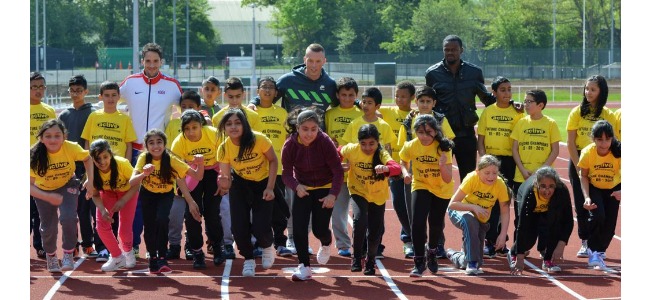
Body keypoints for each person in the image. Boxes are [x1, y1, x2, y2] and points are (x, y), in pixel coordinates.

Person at [120, 42, 183, 258]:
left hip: (160, 153)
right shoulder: (130, 83)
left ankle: (157, 246)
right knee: (136, 202)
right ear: (142, 61)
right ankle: (135, 244)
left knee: (160, 201)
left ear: (161, 62)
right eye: (148, 61)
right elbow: (109, 100)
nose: (152, 65)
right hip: (136, 151)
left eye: (156, 61)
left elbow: (188, 108)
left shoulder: (172, 85)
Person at [425, 35, 499, 184]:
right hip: (442, 135)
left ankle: (466, 207)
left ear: (461, 50)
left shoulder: (474, 73)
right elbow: (428, 101)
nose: (450, 52)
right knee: (438, 177)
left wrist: (509, 102)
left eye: (454, 49)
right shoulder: (432, 74)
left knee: (469, 178)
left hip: (466, 134)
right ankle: (441, 208)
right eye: (447, 50)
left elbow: (487, 99)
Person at [282, 107, 344, 281]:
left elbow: (338, 171)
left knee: (319, 229)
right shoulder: (290, 145)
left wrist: (333, 194)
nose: (309, 134)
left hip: (325, 188)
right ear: (297, 127)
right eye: (305, 129)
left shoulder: (325, 142)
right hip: (304, 189)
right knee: (299, 229)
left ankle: (325, 242)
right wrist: (296, 186)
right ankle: (304, 267)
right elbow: (286, 173)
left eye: (313, 129)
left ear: (319, 128)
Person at [216, 108, 279, 277]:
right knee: (238, 228)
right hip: (240, 186)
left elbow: (273, 160)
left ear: (244, 124)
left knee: (260, 226)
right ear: (224, 128)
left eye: (237, 123)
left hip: (263, 184)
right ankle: (249, 259)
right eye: (229, 124)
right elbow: (226, 178)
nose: (233, 127)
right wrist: (224, 183)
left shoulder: (259, 139)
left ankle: (267, 246)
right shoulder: (223, 148)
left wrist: (270, 187)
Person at [133, 129, 203, 274]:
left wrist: (200, 163)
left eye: (159, 142)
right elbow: (131, 181)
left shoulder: (171, 159)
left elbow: (197, 176)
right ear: (146, 146)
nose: (155, 146)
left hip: (165, 195)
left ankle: (163, 257)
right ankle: (153, 257)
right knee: (150, 226)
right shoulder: (144, 158)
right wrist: (144, 174)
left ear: (165, 144)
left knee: (162, 220)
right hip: (148, 194)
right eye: (151, 143)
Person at [81, 80, 137, 261]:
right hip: (97, 170)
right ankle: (104, 249)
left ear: (119, 97)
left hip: (117, 171)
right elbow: (87, 143)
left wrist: (125, 166)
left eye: (114, 95)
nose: (111, 98)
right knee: (100, 211)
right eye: (107, 95)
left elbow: (128, 144)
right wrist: (89, 169)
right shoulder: (94, 117)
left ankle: (120, 249)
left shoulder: (124, 119)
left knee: (119, 212)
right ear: (100, 97)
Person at [396, 85, 455, 258]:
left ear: (434, 103)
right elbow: (403, 149)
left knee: (436, 219)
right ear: (416, 102)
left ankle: (437, 245)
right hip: (416, 172)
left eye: (428, 101)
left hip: (437, 169)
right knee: (414, 213)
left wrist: (443, 161)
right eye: (421, 101)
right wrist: (405, 171)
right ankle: (414, 247)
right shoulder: (408, 121)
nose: (425, 104)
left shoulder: (441, 120)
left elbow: (448, 142)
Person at [30, 119, 95, 273]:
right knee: (48, 227)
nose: (53, 140)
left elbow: (87, 158)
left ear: (64, 136)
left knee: (68, 218)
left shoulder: (71, 147)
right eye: (48, 136)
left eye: (57, 136)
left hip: (67, 185)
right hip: (43, 190)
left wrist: (90, 181)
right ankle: (51, 255)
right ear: (41, 138)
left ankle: (68, 253)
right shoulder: (33, 156)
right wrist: (48, 197)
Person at [164, 90, 221, 261]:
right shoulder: (178, 143)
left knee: (212, 212)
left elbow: (226, 157)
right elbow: (179, 175)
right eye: (187, 129)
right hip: (191, 173)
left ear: (201, 125)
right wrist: (189, 200)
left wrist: (224, 179)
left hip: (213, 170)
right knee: (193, 214)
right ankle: (197, 252)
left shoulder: (212, 133)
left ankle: (218, 247)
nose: (191, 132)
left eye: (195, 127)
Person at [339, 124, 401, 275]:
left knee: (375, 230)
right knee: (359, 221)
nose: (367, 148)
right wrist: (338, 165)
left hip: (377, 195)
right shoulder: (351, 149)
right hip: (357, 190)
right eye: (363, 144)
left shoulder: (382, 153)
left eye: (371, 144)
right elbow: (336, 153)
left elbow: (397, 168)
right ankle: (357, 256)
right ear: (358, 142)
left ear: (378, 142)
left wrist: (386, 169)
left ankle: (370, 261)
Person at [566, 75, 616, 258]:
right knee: (582, 202)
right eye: (587, 88)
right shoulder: (577, 112)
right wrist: (578, 165)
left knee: (599, 202)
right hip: (579, 158)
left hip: (601, 161)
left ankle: (598, 242)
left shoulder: (608, 114)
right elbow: (570, 142)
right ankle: (585, 241)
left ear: (601, 92)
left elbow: (614, 141)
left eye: (593, 89)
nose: (588, 92)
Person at [477, 76, 524, 258]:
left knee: (505, 201)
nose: (507, 93)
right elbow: (480, 140)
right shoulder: (488, 112)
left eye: (509, 89)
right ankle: (490, 241)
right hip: (492, 160)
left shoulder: (518, 112)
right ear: (494, 92)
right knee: (491, 201)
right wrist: (484, 160)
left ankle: (501, 241)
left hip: (511, 160)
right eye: (503, 90)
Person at [446, 155, 511, 275]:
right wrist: (474, 207)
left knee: (477, 260)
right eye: (487, 173)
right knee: (470, 222)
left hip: (481, 220)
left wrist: (502, 235)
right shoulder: (472, 178)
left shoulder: (500, 185)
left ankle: (454, 255)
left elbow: (505, 211)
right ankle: (472, 263)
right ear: (478, 171)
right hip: (459, 211)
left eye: (494, 173)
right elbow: (452, 204)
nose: (491, 176)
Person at [58, 75, 100, 260]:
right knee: (71, 209)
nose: (75, 94)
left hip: (88, 165)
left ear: (86, 92)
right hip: (68, 167)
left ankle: (89, 244)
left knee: (88, 208)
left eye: (79, 91)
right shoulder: (64, 115)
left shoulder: (93, 113)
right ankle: (72, 244)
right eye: (72, 90)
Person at [252, 76, 293, 257]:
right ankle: (260, 243)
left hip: (278, 167)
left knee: (278, 207)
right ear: (257, 91)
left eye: (271, 88)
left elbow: (286, 140)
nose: (267, 90)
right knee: (260, 207)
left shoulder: (282, 113)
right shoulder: (251, 111)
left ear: (276, 93)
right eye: (264, 87)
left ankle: (280, 242)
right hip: (256, 168)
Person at [88, 139, 143, 271]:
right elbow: (95, 194)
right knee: (101, 226)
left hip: (128, 192)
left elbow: (136, 185)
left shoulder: (122, 164)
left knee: (124, 229)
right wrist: (102, 209)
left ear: (111, 155)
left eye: (105, 157)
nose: (102, 162)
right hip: (107, 193)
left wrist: (123, 200)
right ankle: (117, 257)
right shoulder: (91, 170)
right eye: (97, 159)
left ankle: (128, 252)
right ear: (92, 160)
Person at [508, 166, 574, 275]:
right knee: (529, 238)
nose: (547, 191)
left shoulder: (562, 191)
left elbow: (568, 221)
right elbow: (522, 226)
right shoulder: (530, 193)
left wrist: (561, 245)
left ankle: (547, 259)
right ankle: (514, 253)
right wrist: (520, 258)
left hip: (549, 207)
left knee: (555, 224)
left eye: (551, 186)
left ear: (556, 185)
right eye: (543, 186)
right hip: (531, 205)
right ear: (537, 185)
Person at [324, 77, 363, 258]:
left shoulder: (361, 114)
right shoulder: (329, 114)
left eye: (351, 95)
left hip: (358, 169)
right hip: (336, 169)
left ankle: (363, 242)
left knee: (360, 211)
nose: (347, 98)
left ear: (356, 96)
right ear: (337, 95)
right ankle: (343, 244)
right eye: (343, 95)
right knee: (338, 211)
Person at [511, 89, 561, 230]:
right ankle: (520, 248)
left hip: (543, 179)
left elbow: (555, 151)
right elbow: (515, 149)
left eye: (529, 101)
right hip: (521, 176)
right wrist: (522, 169)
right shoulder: (521, 123)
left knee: (544, 215)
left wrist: (541, 172)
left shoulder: (551, 124)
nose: (525, 104)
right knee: (520, 214)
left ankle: (543, 247)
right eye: (525, 101)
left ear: (540, 105)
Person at [578, 120, 621, 270]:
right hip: (595, 187)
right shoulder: (587, 153)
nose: (604, 144)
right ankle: (593, 251)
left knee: (610, 226)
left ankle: (598, 251)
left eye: (608, 139)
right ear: (593, 138)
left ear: (612, 138)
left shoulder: (619, 152)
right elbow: (583, 176)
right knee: (598, 216)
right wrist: (587, 197)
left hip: (613, 188)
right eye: (599, 140)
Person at [379, 80, 415, 258]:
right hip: (394, 167)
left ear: (412, 98)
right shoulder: (387, 112)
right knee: (399, 203)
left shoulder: (416, 114)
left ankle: (413, 239)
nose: (399, 99)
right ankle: (408, 238)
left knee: (413, 204)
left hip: (413, 166)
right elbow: (365, 105)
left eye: (403, 96)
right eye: (397, 96)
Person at [249, 43, 339, 114]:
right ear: (304, 60)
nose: (314, 65)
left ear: (324, 61)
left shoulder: (330, 84)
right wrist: (253, 102)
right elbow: (267, 97)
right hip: (292, 135)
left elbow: (344, 105)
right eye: (310, 61)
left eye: (318, 61)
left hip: (319, 135)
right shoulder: (287, 80)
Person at [30, 71, 56, 259]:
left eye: (41, 86)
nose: (39, 90)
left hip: (42, 167)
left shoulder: (49, 111)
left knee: (40, 209)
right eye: (34, 87)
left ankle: (40, 245)